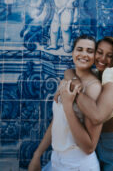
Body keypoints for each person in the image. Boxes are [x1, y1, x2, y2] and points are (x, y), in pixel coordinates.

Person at [59, 36, 113, 170]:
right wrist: (74, 79)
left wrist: (74, 91)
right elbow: (69, 71)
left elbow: (97, 116)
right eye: (99, 52)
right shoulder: (100, 73)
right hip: (104, 155)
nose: (102, 58)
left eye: (109, 55)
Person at [28, 35, 102, 171]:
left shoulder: (93, 87)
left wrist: (68, 106)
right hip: (56, 160)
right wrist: (37, 154)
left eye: (89, 51)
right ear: (73, 52)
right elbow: (58, 122)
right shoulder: (68, 79)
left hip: (78, 164)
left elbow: (88, 148)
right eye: (79, 49)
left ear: (94, 57)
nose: (84, 54)